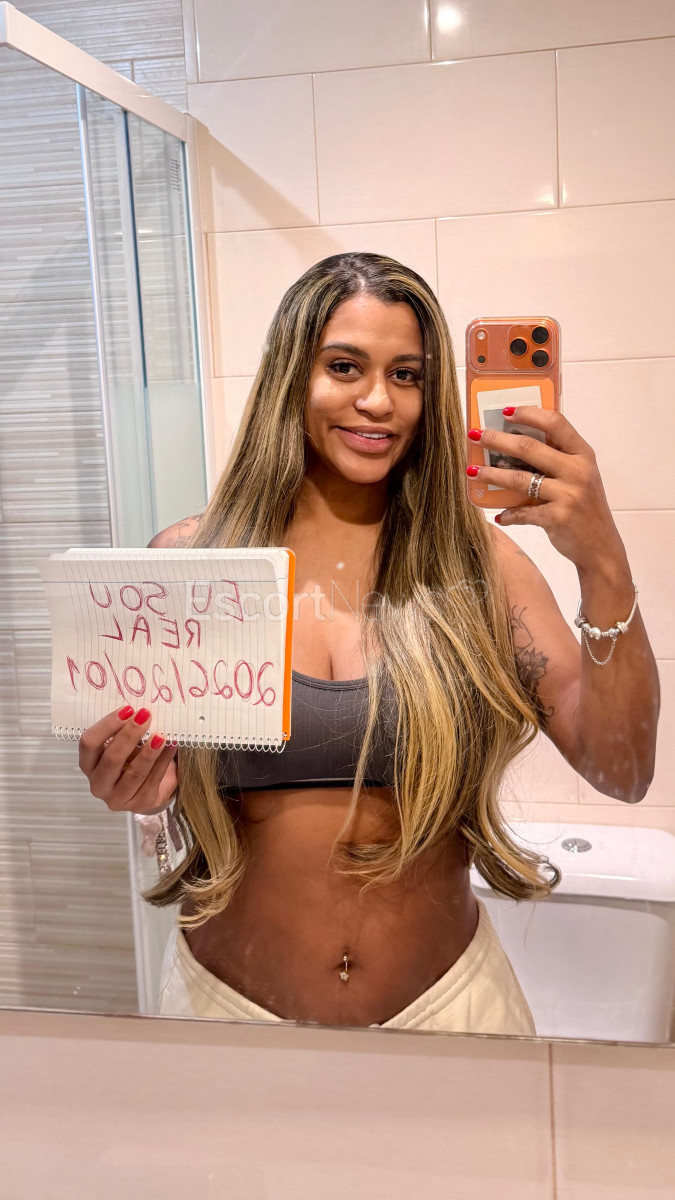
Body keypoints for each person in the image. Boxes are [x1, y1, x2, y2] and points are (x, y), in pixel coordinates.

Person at [78, 252, 659, 1034]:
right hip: (228, 1011)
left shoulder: (477, 566)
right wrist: (136, 789)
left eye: (407, 375)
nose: (379, 401)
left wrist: (602, 559)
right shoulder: (193, 564)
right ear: (291, 376)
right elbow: (153, 786)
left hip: (451, 1011)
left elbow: (621, 769)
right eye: (344, 366)